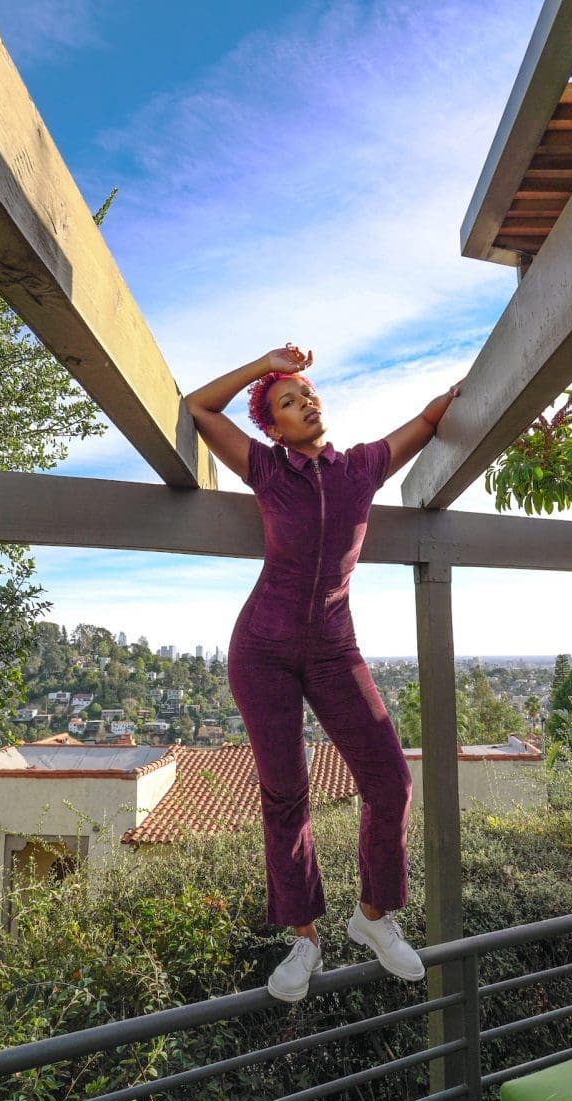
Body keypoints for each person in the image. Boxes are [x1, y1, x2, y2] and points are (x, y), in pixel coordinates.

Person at [185, 345, 460, 1004]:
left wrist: (465, 395)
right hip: (263, 649)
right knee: (286, 793)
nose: (305, 402)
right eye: (289, 401)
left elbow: (427, 423)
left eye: (308, 392)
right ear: (274, 428)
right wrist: (263, 365)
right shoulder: (266, 469)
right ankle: (304, 936)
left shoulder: (359, 467)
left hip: (337, 648)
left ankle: (373, 915)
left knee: (391, 780)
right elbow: (200, 409)